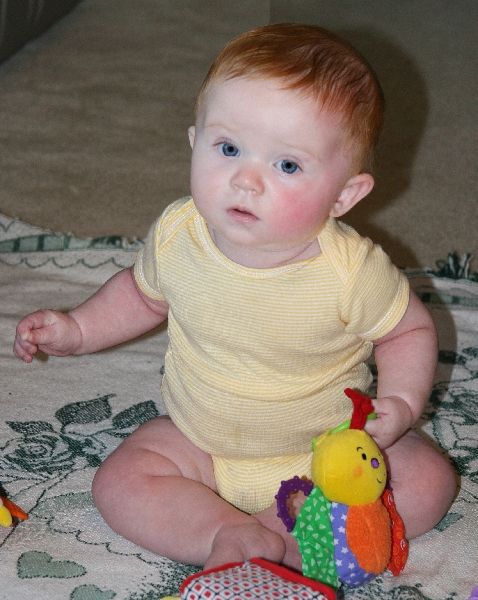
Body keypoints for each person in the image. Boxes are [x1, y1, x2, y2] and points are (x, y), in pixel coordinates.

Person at [13, 24, 456, 573]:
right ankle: (228, 533)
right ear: (195, 141)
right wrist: (78, 329)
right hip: (202, 443)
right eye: (228, 148)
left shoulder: (351, 271)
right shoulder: (180, 234)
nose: (246, 181)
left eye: (287, 164)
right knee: (120, 482)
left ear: (344, 195)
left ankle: (285, 539)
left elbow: (406, 330)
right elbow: (141, 294)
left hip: (325, 452)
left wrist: (403, 405)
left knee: (429, 482)